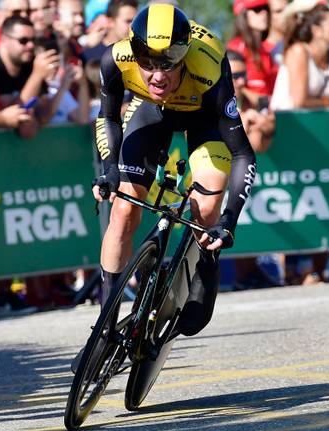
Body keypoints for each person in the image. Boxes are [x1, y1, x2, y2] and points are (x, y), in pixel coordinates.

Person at [92, 4, 256, 337]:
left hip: (204, 115)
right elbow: (108, 117)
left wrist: (229, 221)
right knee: (123, 208)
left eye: (168, 64)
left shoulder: (208, 66)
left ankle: (206, 271)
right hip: (152, 110)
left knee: (206, 207)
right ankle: (104, 323)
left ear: (184, 56)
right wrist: (110, 169)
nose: (157, 75)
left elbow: (243, 154)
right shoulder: (116, 58)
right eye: (148, 64)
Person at [270, 3, 329, 132]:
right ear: (316, 30)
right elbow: (299, 102)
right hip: (286, 128)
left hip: (317, 128)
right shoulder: (298, 52)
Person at [0, 15, 58, 107]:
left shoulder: (29, 63)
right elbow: (10, 115)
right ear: (4, 40)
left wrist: (64, 83)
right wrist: (37, 76)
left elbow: (43, 116)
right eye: (23, 40)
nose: (31, 45)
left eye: (33, 40)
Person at [228, 0, 278, 109]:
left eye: (265, 8)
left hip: (270, 114)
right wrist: (266, 103)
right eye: (257, 10)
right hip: (249, 117)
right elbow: (233, 89)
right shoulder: (237, 47)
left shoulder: (267, 50)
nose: (264, 13)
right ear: (243, 15)